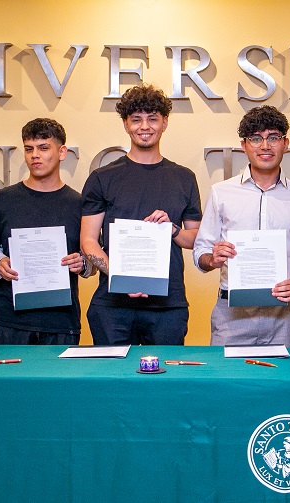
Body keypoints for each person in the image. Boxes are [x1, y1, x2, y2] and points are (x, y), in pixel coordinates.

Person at [81, 84, 202, 345]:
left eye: (152, 119)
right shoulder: (103, 177)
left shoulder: (184, 178)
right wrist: (121, 277)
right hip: (113, 305)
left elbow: (195, 239)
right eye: (136, 119)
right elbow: (88, 240)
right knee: (112, 383)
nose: (144, 126)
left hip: (168, 305)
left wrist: (173, 229)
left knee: (165, 381)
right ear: (126, 124)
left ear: (165, 122)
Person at [193, 105, 290, 347]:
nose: (265, 146)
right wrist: (213, 258)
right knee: (227, 382)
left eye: (273, 137)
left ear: (285, 143)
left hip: (284, 315)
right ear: (244, 146)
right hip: (231, 313)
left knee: (282, 383)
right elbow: (200, 253)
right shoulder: (221, 193)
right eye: (256, 138)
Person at [0, 118, 89, 345]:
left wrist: (83, 264)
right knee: (9, 380)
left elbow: (90, 260)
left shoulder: (78, 204)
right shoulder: (3, 200)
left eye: (43, 148)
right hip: (12, 319)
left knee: (57, 382)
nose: (35, 155)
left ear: (62, 152)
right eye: (29, 149)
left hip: (62, 321)